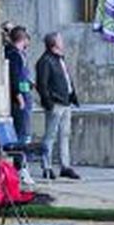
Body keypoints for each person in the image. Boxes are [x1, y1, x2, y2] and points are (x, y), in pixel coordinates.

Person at [34, 30, 81, 180]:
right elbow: (42, 85)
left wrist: (72, 96)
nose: (63, 42)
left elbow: (67, 80)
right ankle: (46, 167)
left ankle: (65, 166)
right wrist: (49, 103)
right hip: (55, 104)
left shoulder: (59, 59)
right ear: (54, 43)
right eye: (60, 40)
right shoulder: (45, 61)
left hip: (66, 102)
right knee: (50, 136)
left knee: (64, 135)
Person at [4, 25, 35, 169]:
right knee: (21, 132)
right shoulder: (14, 55)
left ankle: (22, 164)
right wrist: (19, 96)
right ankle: (19, 165)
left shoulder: (21, 54)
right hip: (20, 99)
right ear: (23, 39)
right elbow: (15, 77)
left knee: (25, 131)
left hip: (25, 94)